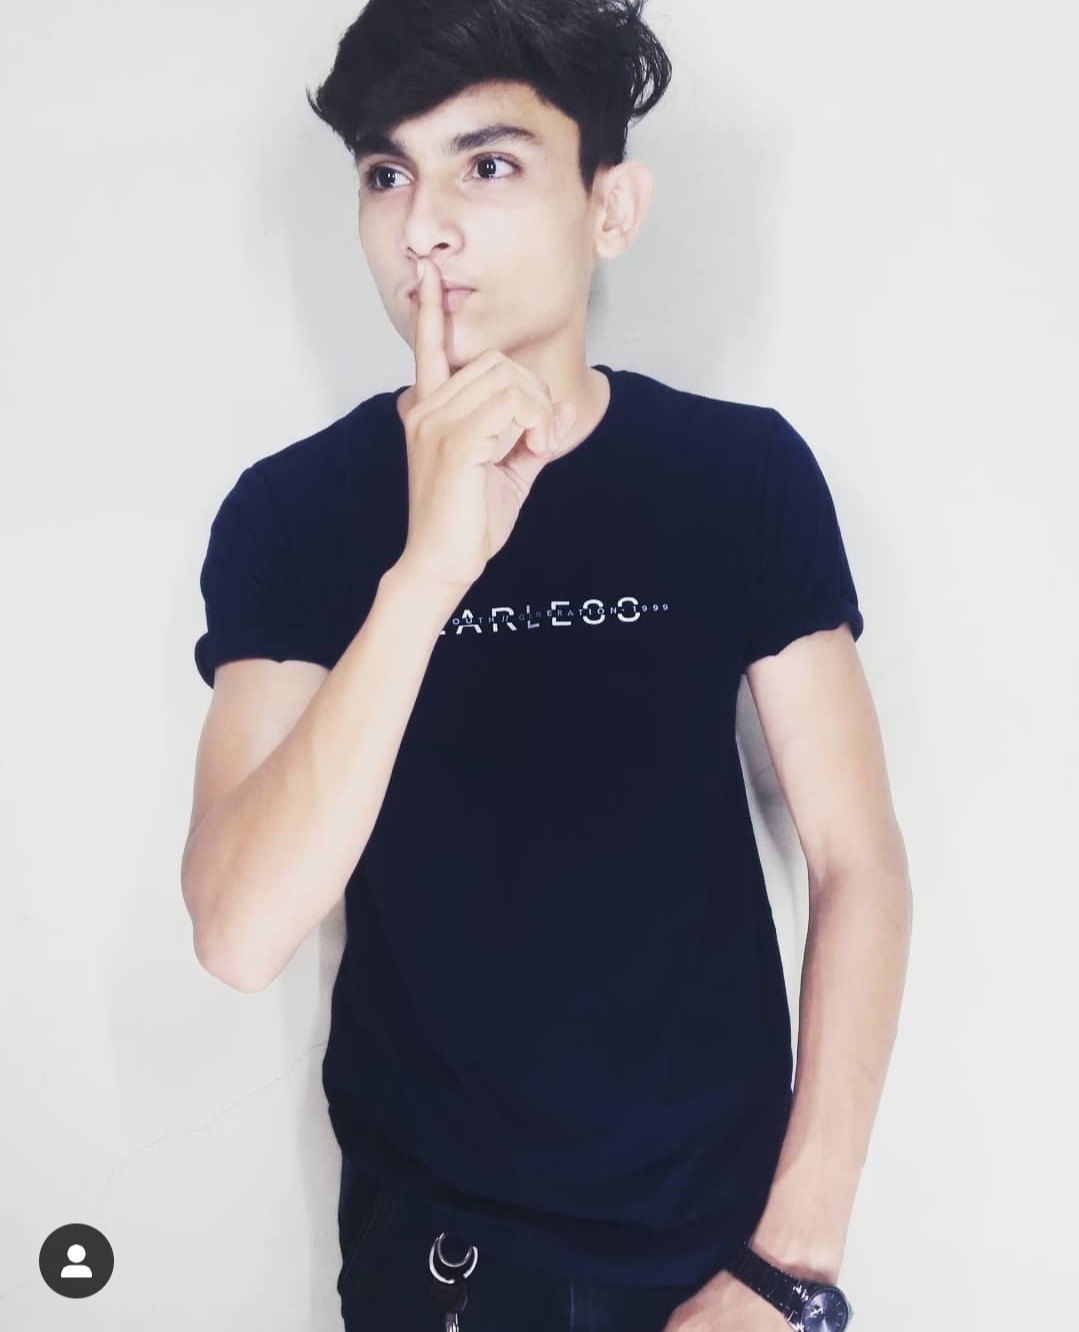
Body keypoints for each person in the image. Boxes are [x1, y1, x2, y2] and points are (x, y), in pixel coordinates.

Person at [183, 1, 913, 1328]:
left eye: (488, 163)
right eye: (387, 173)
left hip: (720, 1246)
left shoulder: (735, 476)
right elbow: (239, 932)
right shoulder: (297, 514)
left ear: (611, 207)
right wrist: (428, 571)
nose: (423, 227)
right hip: (441, 1257)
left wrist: (792, 1262)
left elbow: (856, 859)